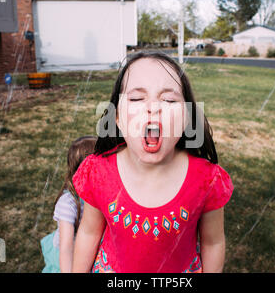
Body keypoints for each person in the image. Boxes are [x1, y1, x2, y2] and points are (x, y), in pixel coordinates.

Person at [71, 52, 234, 273]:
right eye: (137, 98)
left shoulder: (207, 180)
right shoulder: (98, 172)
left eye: (168, 99)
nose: (153, 108)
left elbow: (212, 242)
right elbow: (89, 233)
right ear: (117, 117)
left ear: (186, 118)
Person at [40, 136, 97, 273]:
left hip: (89, 248)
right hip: (68, 255)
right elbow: (66, 247)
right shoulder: (68, 202)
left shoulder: (99, 191)